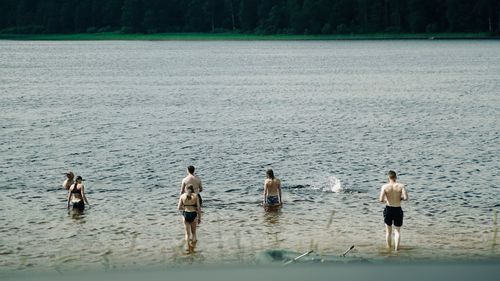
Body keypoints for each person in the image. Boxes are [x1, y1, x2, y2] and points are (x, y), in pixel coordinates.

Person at [379, 170, 408, 251]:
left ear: (388, 177)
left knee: (388, 231)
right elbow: (406, 198)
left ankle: (388, 248)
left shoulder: (384, 187)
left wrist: (387, 200)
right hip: (398, 209)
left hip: (389, 209)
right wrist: (399, 198)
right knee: (397, 231)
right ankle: (396, 249)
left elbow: (381, 200)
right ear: (396, 177)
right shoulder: (401, 186)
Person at [178, 185, 201, 251]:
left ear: (185, 189)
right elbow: (199, 208)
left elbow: (178, 208)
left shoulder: (182, 196)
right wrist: (199, 218)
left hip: (186, 214)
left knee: (187, 234)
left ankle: (187, 247)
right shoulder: (196, 196)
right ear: (192, 189)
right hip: (193, 214)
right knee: (194, 233)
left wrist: (185, 207)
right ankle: (193, 248)